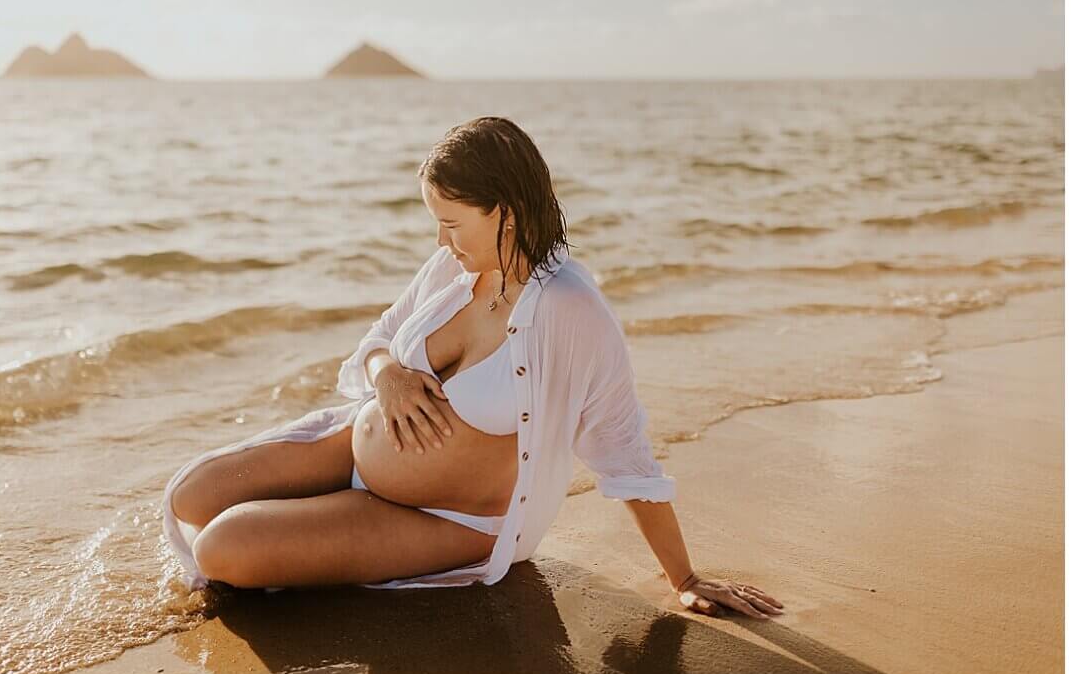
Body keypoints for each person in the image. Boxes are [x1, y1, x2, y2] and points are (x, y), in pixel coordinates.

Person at [164, 116, 782, 621]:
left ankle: (307, 535)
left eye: (452, 223)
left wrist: (686, 576)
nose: (440, 242)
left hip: (448, 520)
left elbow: (621, 447)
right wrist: (388, 375)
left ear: (506, 213)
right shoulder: (454, 271)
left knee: (222, 546)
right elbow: (378, 338)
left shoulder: (569, 310)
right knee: (190, 494)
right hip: (354, 452)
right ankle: (312, 514)